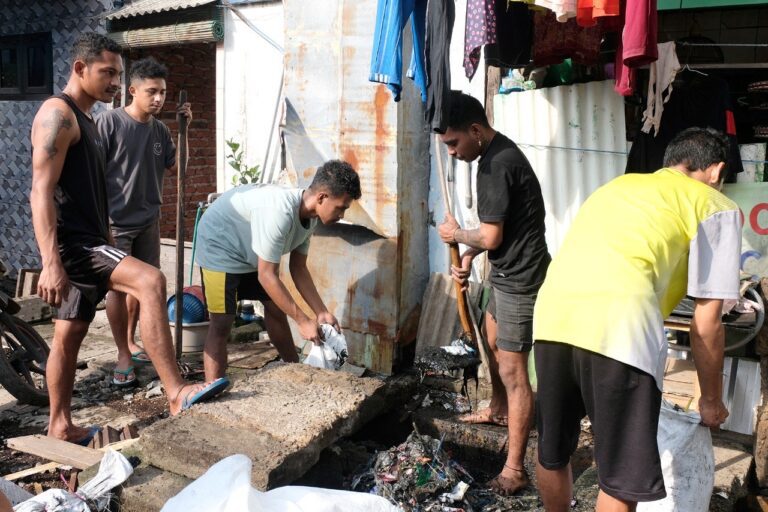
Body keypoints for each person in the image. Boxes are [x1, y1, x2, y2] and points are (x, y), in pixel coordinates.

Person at [29, 32, 227, 445]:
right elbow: (40, 190)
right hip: (76, 243)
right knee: (151, 281)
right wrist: (51, 261)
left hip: (89, 237)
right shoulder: (57, 114)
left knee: (68, 335)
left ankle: (59, 425)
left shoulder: (88, 119)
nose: (115, 82)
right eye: (108, 73)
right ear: (80, 68)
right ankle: (176, 393)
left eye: (119, 74)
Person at [533, 127, 739, 512]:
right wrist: (711, 400)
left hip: (552, 316)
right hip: (619, 326)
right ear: (716, 171)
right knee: (622, 477)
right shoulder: (715, 203)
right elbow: (707, 320)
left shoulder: (620, 185)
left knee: (553, 451)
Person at [437, 91, 550, 495]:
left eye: (454, 143)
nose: (452, 152)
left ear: (475, 130)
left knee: (513, 370)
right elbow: (495, 234)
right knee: (490, 340)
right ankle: (500, 409)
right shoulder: (493, 156)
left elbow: (491, 233)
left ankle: (515, 468)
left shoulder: (496, 165)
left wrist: (457, 236)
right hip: (505, 270)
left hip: (522, 278)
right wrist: (468, 253)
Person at [195, 160, 361, 382]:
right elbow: (266, 275)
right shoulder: (280, 212)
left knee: (275, 308)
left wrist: (320, 312)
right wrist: (302, 320)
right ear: (322, 197)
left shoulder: (310, 217)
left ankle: (295, 371)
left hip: (249, 250)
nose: (342, 214)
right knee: (222, 322)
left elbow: (298, 268)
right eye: (341, 207)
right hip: (220, 245)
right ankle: (212, 389)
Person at [96, 57, 191, 388]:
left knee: (144, 288)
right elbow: (93, 175)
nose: (158, 99)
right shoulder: (109, 124)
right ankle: (123, 352)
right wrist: (101, 223)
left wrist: (185, 130)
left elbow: (177, 167)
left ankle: (135, 341)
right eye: (152, 92)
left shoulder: (161, 130)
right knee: (118, 290)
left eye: (163, 93)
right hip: (115, 224)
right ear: (132, 90)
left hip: (149, 220)